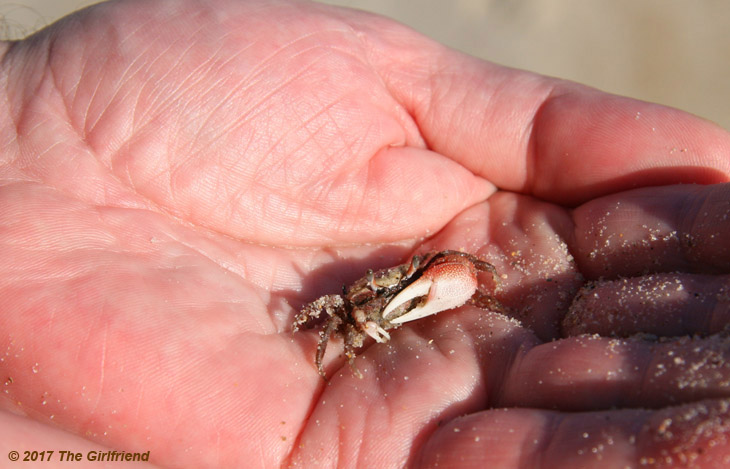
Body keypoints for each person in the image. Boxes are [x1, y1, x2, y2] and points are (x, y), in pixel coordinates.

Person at [1, 0, 728, 466]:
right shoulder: (354, 307)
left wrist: (21, 102)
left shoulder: (421, 276)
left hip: (400, 297)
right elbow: (329, 317)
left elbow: (466, 269)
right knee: (341, 318)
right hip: (363, 314)